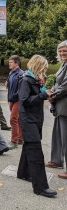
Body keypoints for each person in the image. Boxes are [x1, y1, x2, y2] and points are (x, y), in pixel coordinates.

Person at [17, 55, 57, 198]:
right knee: (36, 153)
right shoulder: (26, 80)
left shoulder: (34, 80)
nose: (45, 70)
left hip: (33, 119)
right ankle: (40, 187)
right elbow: (24, 101)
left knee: (29, 146)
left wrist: (45, 94)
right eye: (44, 67)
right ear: (38, 66)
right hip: (29, 120)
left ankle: (23, 172)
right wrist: (43, 95)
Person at [46, 40, 67, 178]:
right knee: (58, 135)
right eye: (60, 51)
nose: (62, 53)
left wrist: (52, 94)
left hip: (64, 105)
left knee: (66, 137)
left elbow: (65, 86)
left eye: (65, 50)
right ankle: (56, 160)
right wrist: (51, 91)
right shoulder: (63, 64)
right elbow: (57, 83)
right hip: (60, 105)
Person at [6, 55, 24, 149]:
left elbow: (21, 89)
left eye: (11, 62)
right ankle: (20, 138)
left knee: (13, 119)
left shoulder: (21, 74)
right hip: (11, 99)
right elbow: (10, 85)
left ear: (16, 63)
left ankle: (14, 141)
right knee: (17, 119)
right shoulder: (11, 73)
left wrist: (13, 96)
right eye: (9, 62)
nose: (9, 64)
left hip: (17, 100)